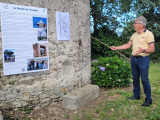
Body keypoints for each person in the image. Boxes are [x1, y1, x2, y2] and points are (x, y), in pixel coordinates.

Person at [110, 16, 155, 106]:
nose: (133, 25)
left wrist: (143, 50)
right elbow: (128, 45)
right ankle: (136, 95)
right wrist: (116, 48)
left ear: (142, 24)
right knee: (135, 79)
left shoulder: (149, 34)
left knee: (144, 80)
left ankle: (148, 99)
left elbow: (152, 49)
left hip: (143, 59)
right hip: (133, 59)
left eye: (135, 23)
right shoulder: (134, 34)